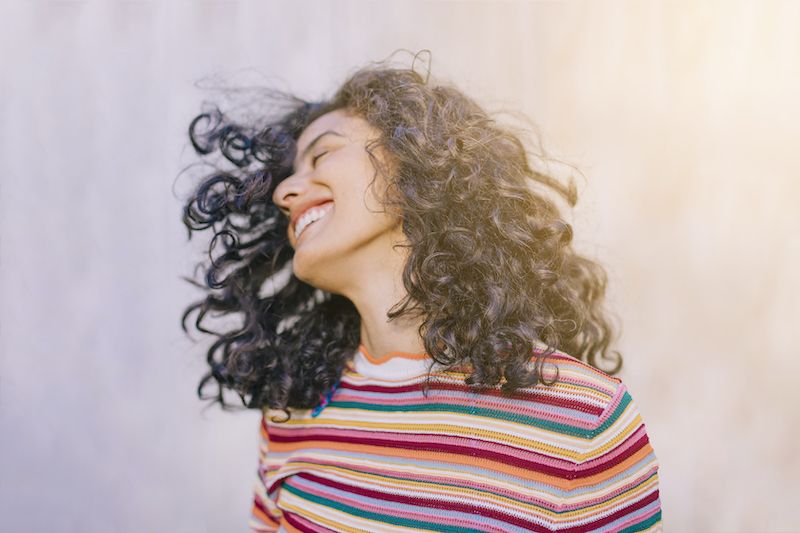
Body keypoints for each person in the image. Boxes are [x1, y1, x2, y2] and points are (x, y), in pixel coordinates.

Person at [181, 57, 662, 532]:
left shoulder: (583, 421)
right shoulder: (292, 413)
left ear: (413, 161)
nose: (286, 190)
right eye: (290, 174)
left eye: (322, 154)